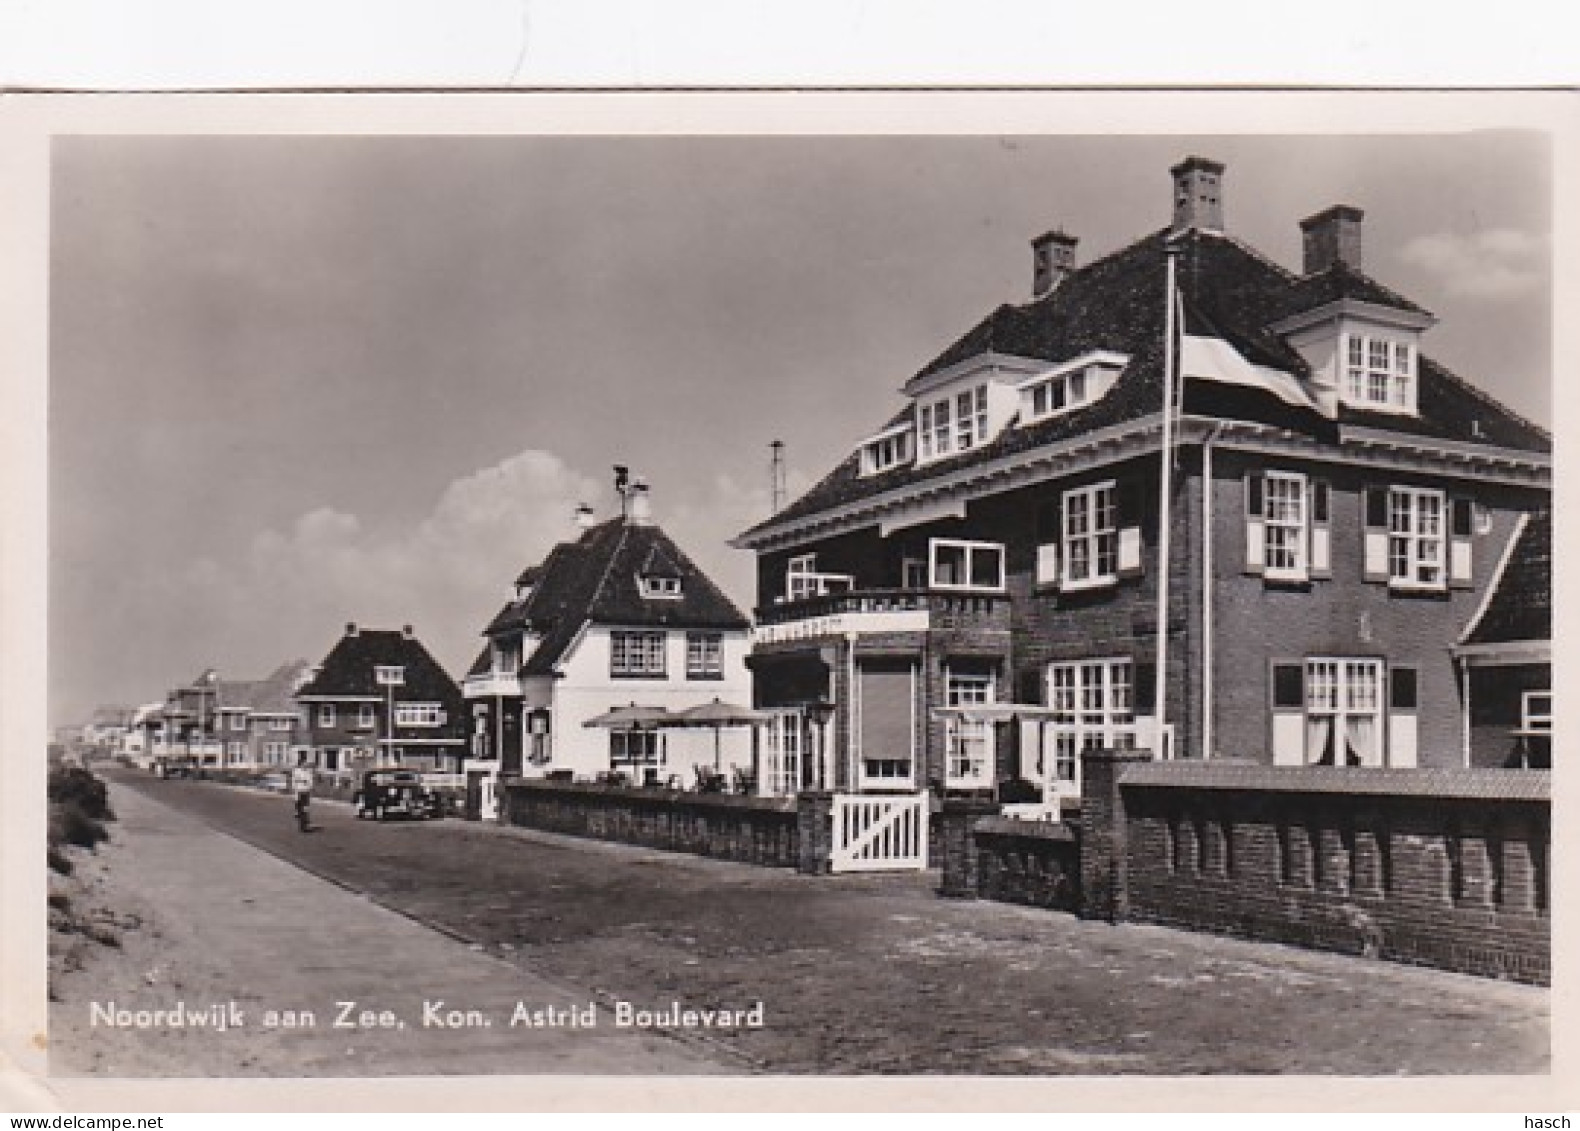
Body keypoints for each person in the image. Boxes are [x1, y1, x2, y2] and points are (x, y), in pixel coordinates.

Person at [291, 753, 315, 832]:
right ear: (301, 764)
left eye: (306, 763)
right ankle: (303, 826)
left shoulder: (308, 772)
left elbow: (310, 781)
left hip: (306, 791)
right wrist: (296, 789)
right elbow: (295, 781)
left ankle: (305, 824)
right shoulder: (297, 771)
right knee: (301, 809)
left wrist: (309, 786)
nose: (306, 765)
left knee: (306, 809)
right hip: (300, 791)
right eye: (305, 763)